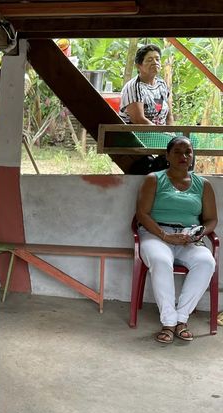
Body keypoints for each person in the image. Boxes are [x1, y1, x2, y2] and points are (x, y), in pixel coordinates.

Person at [135, 136, 217, 343]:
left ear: (192, 156)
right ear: (168, 156)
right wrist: (165, 235)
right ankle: (169, 322)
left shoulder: (203, 184)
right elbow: (142, 214)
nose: (184, 156)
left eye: (188, 152)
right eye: (178, 152)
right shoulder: (154, 179)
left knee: (206, 262)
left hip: (188, 237)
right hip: (156, 234)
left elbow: (211, 219)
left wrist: (199, 233)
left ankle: (181, 319)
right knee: (161, 261)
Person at [120, 44, 174, 125]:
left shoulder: (162, 84)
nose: (155, 62)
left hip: (160, 131)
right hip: (138, 132)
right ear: (139, 65)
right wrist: (160, 132)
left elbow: (169, 116)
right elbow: (139, 120)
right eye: (149, 60)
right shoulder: (134, 87)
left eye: (157, 59)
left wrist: (171, 131)